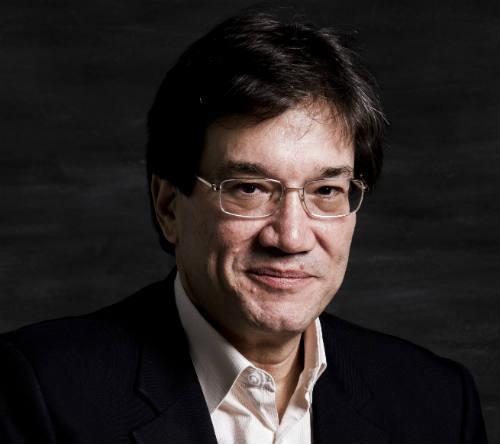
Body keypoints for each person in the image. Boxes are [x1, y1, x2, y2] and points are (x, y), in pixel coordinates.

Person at [0, 10, 488, 444]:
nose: (291, 238)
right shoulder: (39, 392)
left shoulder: (437, 403)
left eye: (326, 191)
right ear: (169, 207)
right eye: (249, 189)